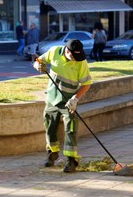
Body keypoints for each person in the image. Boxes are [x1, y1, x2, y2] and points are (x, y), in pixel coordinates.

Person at [33, 39, 92, 173]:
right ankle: (52, 153)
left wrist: (75, 99)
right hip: (52, 98)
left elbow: (86, 83)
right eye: (73, 56)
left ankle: (72, 160)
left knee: (71, 128)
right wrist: (38, 66)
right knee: (49, 126)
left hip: (68, 101)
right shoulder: (54, 52)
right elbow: (38, 61)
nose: (75, 59)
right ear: (67, 50)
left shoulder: (81, 61)